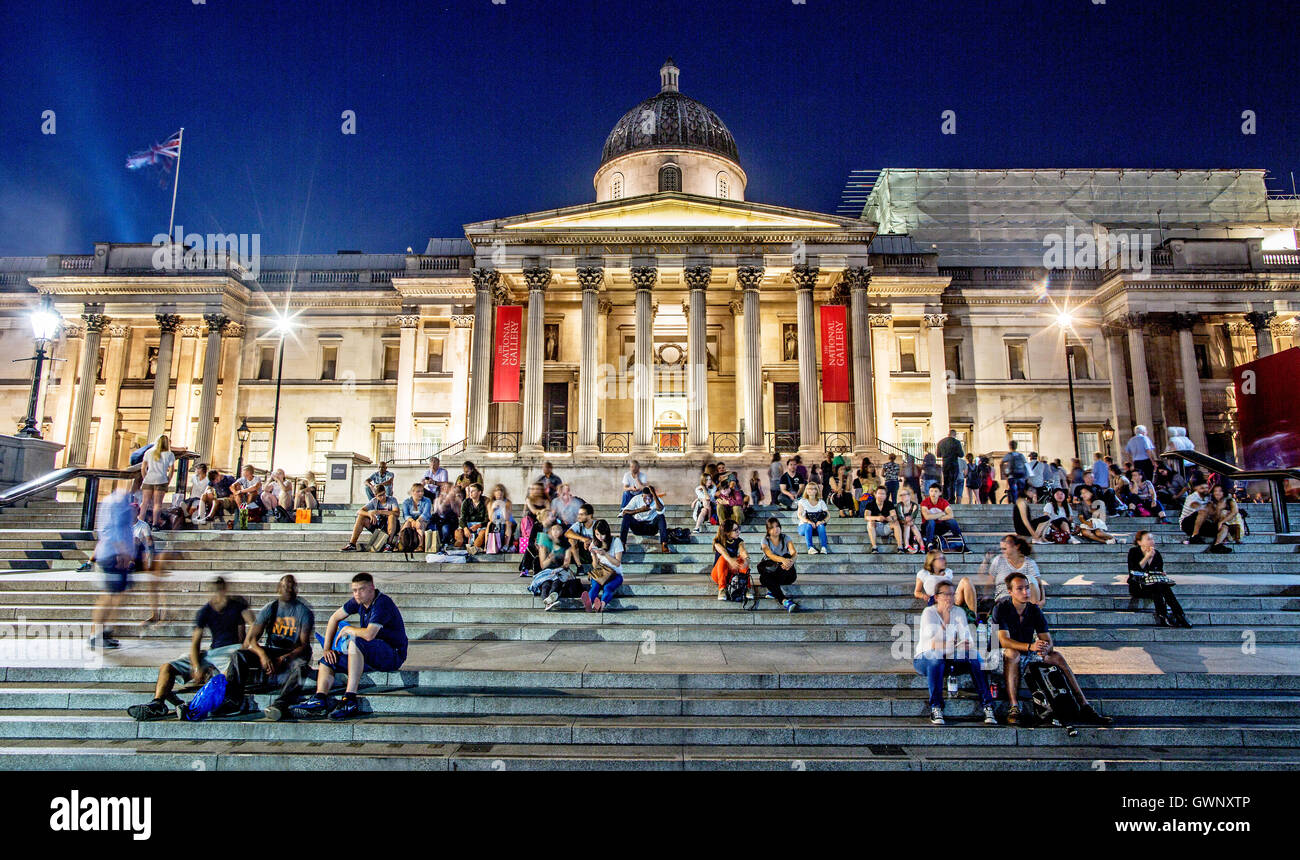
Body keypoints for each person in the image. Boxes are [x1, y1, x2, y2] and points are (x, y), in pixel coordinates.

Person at [994, 571, 1111, 727]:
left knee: (1056, 656)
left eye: (1027, 588)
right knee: (1012, 653)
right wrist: (1031, 646)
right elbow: (1003, 641)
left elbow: (1048, 640)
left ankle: (1084, 705)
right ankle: (1014, 707)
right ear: (1010, 592)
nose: (1025, 592)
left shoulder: (1034, 609)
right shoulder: (1001, 608)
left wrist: (1044, 647)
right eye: (1020, 589)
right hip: (1001, 656)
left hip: (1028, 653)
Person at [127, 576, 253, 720]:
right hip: (212, 653)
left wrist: (245, 645)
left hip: (232, 651)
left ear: (224, 591)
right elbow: (195, 642)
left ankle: (193, 706)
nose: (217, 596)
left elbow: (254, 624)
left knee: (224, 676)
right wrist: (196, 666)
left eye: (220, 591)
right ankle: (157, 704)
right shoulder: (205, 611)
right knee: (166, 668)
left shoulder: (236, 606)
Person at [291, 573, 407, 720]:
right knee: (328, 660)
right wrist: (327, 649)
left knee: (355, 640)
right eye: (354, 590)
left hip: (392, 655)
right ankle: (319, 698)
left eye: (361, 589)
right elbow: (334, 618)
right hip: (371, 654)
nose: (357, 594)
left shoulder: (382, 603)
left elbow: (369, 634)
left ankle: (349, 699)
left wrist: (349, 630)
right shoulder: (358, 601)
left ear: (372, 587)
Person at [914, 581, 998, 726]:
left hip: (952, 656)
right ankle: (936, 707)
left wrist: (964, 644)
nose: (950, 598)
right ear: (936, 597)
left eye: (952, 594)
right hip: (925, 659)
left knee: (975, 656)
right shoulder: (929, 613)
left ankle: (988, 705)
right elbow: (934, 644)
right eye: (945, 594)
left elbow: (967, 639)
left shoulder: (959, 612)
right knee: (936, 657)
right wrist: (946, 618)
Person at [88, 489, 141, 650]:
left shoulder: (122, 500)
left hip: (115, 554)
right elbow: (111, 529)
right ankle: (96, 634)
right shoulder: (116, 501)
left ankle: (104, 631)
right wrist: (121, 551)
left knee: (116, 594)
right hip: (113, 555)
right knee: (109, 596)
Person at [1127, 530, 1191, 628]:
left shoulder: (1156, 553)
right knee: (1158, 587)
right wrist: (1147, 557)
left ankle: (1178, 615)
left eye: (1152, 539)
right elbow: (1134, 571)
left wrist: (1161, 573)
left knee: (1162, 586)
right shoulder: (1133, 552)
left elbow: (1159, 569)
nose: (1152, 541)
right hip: (1139, 586)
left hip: (1153, 585)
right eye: (1148, 539)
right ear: (1139, 542)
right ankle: (1166, 615)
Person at [913, 549, 977, 617]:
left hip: (951, 598)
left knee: (966, 581)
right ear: (932, 561)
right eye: (940, 559)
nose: (944, 561)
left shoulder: (948, 572)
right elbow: (916, 592)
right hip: (937, 601)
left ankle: (974, 617)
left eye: (944, 558)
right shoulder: (924, 573)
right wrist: (923, 596)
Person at [987, 534, 1046, 605]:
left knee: (1030, 579)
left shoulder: (1029, 563)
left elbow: (1038, 584)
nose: (1002, 552)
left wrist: (1043, 600)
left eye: (1004, 549)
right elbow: (989, 582)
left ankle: (1031, 611)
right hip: (1005, 598)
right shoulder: (998, 560)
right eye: (1001, 549)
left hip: (1026, 599)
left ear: (1016, 547)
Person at [756, 517, 799, 612]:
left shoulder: (786, 538)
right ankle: (784, 601)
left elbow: (794, 553)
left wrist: (790, 561)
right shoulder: (765, 540)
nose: (776, 529)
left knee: (788, 555)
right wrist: (782, 560)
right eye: (772, 527)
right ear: (768, 529)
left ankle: (773, 590)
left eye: (777, 526)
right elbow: (769, 555)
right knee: (763, 576)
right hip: (773, 571)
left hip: (787, 574)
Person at [340, 483, 400, 551]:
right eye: (380, 496)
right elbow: (359, 511)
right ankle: (352, 544)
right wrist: (369, 514)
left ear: (385, 492)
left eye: (383, 494)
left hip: (391, 527)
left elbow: (397, 513)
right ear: (376, 496)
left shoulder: (392, 500)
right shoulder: (374, 501)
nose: (382, 497)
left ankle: (389, 544)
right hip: (379, 526)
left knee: (392, 516)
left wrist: (379, 512)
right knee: (361, 517)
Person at [583, 519, 624, 612]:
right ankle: (589, 603)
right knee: (595, 587)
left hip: (615, 574)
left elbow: (617, 563)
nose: (600, 537)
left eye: (602, 534)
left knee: (607, 587)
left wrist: (605, 554)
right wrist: (593, 555)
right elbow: (595, 566)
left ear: (607, 532)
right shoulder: (595, 542)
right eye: (597, 534)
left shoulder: (616, 541)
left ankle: (602, 605)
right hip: (600, 573)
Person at [619, 486, 672, 553]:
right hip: (638, 527)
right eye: (645, 498)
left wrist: (654, 495)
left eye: (649, 498)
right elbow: (624, 512)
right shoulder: (636, 499)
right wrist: (640, 510)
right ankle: (622, 544)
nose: (647, 500)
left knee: (661, 516)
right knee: (627, 516)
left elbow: (661, 510)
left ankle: (664, 544)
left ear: (652, 496)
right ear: (642, 496)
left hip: (651, 528)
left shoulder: (657, 500)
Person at [138, 434, 176, 528]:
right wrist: (168, 480)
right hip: (161, 479)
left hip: (149, 479)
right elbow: (171, 469)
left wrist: (145, 478)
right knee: (157, 504)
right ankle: (155, 524)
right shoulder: (169, 454)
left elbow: (143, 467)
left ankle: (140, 522)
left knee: (144, 502)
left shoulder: (148, 452)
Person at [710, 519, 749, 601]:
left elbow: (742, 550)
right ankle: (722, 589)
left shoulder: (739, 541)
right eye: (735, 530)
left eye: (738, 529)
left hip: (731, 573)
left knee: (742, 559)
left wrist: (746, 559)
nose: (738, 532)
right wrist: (731, 560)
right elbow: (723, 552)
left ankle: (747, 587)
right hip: (718, 574)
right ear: (727, 532)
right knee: (723, 558)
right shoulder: (717, 541)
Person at [920, 483, 964, 551]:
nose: (933, 493)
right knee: (931, 521)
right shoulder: (925, 502)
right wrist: (941, 513)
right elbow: (927, 517)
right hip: (927, 527)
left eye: (935, 491)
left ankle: (961, 543)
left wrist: (938, 518)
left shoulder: (943, 502)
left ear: (940, 493)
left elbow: (951, 515)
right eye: (931, 491)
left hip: (939, 527)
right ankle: (929, 544)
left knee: (952, 521)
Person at [861, 485, 903, 553]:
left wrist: (891, 518)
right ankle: (874, 547)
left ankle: (900, 547)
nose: (881, 495)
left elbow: (894, 516)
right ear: (875, 494)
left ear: (886, 495)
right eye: (879, 493)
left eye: (883, 494)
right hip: (876, 528)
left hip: (886, 526)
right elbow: (866, 517)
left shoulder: (889, 504)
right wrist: (877, 518)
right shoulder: (870, 504)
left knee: (896, 522)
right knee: (870, 522)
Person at [795, 484, 830, 554]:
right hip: (804, 527)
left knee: (821, 526)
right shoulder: (802, 501)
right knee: (809, 525)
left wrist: (822, 521)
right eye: (809, 489)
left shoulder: (821, 502)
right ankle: (810, 548)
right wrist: (809, 521)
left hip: (816, 528)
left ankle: (824, 548)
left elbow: (828, 515)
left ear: (816, 491)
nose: (811, 490)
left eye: (814, 489)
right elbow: (799, 515)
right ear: (806, 490)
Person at [1200, 484, 1236, 553]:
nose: (1217, 493)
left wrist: (1222, 522)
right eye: (1215, 491)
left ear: (1224, 492)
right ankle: (1217, 545)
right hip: (1218, 526)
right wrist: (1218, 509)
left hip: (1232, 525)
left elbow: (1234, 512)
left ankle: (1216, 545)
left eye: (1220, 491)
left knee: (1224, 526)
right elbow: (1213, 519)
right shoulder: (1211, 504)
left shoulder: (1230, 500)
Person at [1179, 480, 1217, 546]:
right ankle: (1194, 536)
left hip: (1201, 523)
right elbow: (1200, 509)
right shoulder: (1192, 497)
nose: (1205, 490)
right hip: (1187, 523)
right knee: (1203, 512)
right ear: (1196, 488)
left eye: (1206, 488)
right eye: (1202, 488)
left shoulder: (1207, 497)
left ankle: (1217, 545)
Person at [457, 482, 490, 554]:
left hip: (481, 524)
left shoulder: (485, 501)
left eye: (473, 491)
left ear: (479, 492)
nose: (470, 493)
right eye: (469, 491)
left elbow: (487, 519)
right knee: (458, 532)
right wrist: (465, 528)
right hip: (468, 524)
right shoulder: (466, 502)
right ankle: (457, 550)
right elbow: (462, 518)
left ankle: (473, 549)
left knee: (482, 533)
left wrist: (479, 525)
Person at [564, 503, 596, 569]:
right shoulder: (579, 524)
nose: (578, 516)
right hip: (583, 551)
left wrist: (590, 542)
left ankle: (595, 566)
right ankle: (579, 566)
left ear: (590, 516)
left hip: (596, 551)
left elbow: (604, 539)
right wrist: (583, 539)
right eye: (578, 514)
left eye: (581, 514)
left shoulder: (597, 524)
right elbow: (567, 533)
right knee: (571, 540)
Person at [894, 486, 926, 553]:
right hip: (900, 526)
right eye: (901, 495)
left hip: (910, 526)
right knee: (908, 524)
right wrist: (907, 520)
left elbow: (912, 518)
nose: (902, 497)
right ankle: (907, 545)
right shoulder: (899, 505)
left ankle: (922, 546)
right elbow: (901, 518)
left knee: (912, 525)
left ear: (909, 496)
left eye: (904, 495)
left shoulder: (915, 506)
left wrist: (909, 520)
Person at [430, 482, 461, 548]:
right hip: (439, 520)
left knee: (445, 530)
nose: (444, 488)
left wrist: (452, 501)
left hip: (450, 520)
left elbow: (458, 513)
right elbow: (438, 511)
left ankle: (445, 543)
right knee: (432, 528)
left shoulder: (456, 499)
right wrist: (440, 501)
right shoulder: (437, 499)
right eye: (443, 487)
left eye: (446, 487)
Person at [487, 483, 516, 551]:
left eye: (500, 495)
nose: (499, 497)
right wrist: (493, 509)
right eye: (497, 495)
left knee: (508, 523)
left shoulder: (508, 502)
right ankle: (487, 545)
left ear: (503, 494)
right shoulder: (490, 503)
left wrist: (503, 507)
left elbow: (507, 518)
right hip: (496, 521)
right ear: (494, 494)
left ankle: (506, 545)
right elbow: (490, 518)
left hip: (507, 522)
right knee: (489, 524)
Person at [936, 430, 963, 502]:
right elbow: (961, 454)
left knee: (946, 481)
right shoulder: (957, 442)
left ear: (948, 434)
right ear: (955, 435)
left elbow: (938, 455)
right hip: (954, 464)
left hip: (945, 463)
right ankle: (952, 498)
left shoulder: (941, 442)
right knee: (953, 482)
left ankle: (945, 498)